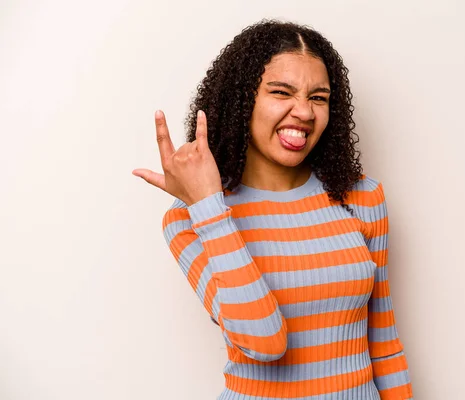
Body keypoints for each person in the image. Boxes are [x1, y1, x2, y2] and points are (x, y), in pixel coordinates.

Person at [132, 19, 413, 400]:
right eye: (281, 92)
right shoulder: (190, 218)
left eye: (319, 97)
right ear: (241, 99)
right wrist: (209, 208)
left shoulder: (362, 198)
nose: (305, 112)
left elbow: (385, 345)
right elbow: (265, 342)